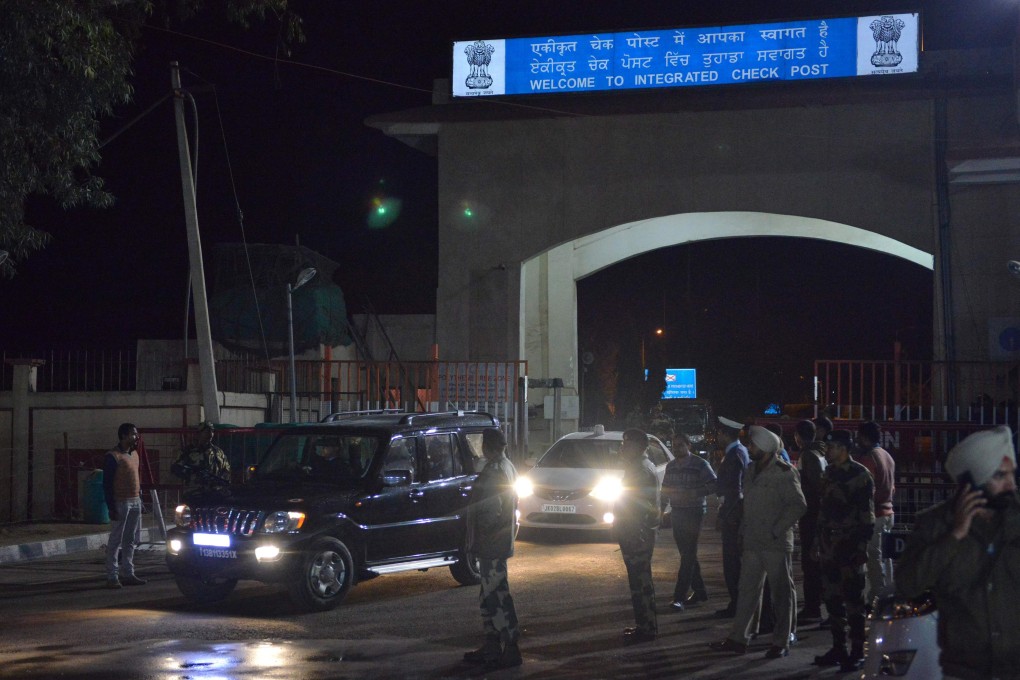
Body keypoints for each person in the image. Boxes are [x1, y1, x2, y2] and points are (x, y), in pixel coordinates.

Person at [896, 425, 1020, 680]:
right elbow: (908, 584)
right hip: (964, 670)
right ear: (971, 482)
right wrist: (954, 537)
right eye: (999, 476)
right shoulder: (934, 525)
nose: (1011, 485)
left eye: (1012, 475)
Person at [710, 426, 806, 659]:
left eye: (752, 445)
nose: (749, 448)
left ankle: (781, 640)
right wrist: (743, 530)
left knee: (781, 594)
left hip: (775, 543)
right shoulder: (752, 469)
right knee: (747, 591)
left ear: (763, 448)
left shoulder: (784, 472)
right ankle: (739, 638)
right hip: (753, 541)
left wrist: (776, 530)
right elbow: (748, 505)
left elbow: (798, 505)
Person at [812, 430, 874, 672]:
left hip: (849, 546)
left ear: (844, 448)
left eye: (833, 447)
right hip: (829, 546)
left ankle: (857, 651)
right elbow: (823, 511)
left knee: (854, 602)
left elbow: (866, 517)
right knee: (832, 599)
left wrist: (861, 548)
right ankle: (838, 648)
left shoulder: (860, 475)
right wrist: (817, 543)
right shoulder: (829, 473)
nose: (828, 451)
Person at [463, 428, 522, 669]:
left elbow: (491, 509)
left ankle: (509, 648)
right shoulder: (506, 467)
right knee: (489, 595)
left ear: (488, 446)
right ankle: (493, 645)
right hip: (495, 543)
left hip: (492, 544)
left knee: (496, 595)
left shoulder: (496, 470)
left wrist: (481, 535)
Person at [660, 431, 717, 611]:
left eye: (680, 445)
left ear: (688, 446)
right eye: (674, 446)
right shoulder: (671, 467)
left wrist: (696, 493)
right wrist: (661, 510)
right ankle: (700, 592)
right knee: (687, 554)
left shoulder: (700, 464)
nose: (677, 449)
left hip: (694, 512)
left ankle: (679, 597)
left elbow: (714, 484)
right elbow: (665, 490)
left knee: (688, 554)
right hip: (677, 512)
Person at [614, 428, 661, 643]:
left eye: (627, 443)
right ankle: (645, 625)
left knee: (640, 582)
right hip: (634, 531)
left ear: (639, 446)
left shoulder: (641, 469)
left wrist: (634, 531)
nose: (623, 447)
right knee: (639, 581)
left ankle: (647, 628)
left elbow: (640, 506)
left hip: (637, 533)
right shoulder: (637, 467)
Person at [854, 421, 895, 605]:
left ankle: (877, 596)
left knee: (873, 557)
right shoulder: (887, 455)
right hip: (888, 512)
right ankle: (888, 591)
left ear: (864, 437)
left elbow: (865, 490)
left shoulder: (869, 458)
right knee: (886, 556)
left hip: (875, 514)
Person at [102, 423, 146, 589]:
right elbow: (106, 484)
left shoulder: (134, 454)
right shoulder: (113, 457)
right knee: (116, 540)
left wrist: (140, 498)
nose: (136, 437)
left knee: (130, 540)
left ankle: (128, 573)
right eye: (133, 434)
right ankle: (112, 576)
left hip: (135, 500)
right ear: (124, 436)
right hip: (121, 502)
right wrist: (111, 507)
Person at [714, 416, 750, 618]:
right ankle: (736, 603)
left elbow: (735, 490)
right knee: (734, 562)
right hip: (734, 514)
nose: (718, 436)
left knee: (732, 562)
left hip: (733, 517)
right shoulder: (738, 452)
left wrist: (726, 515)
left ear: (726, 434)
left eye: (719, 433)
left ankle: (737, 605)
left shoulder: (735, 454)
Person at [794, 418, 827, 622]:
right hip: (816, 516)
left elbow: (815, 489)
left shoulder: (808, 455)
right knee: (815, 563)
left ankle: (812, 608)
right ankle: (816, 603)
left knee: (810, 563)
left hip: (811, 516)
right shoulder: (820, 452)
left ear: (798, 436)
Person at [171, 421, 231, 490]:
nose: (210, 434)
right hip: (195, 491)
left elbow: (227, 470)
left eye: (212, 431)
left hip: (215, 491)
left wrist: (219, 480)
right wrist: (192, 475)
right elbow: (175, 468)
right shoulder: (188, 451)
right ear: (199, 434)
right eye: (206, 431)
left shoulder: (218, 452)